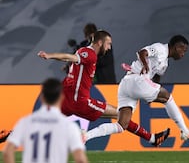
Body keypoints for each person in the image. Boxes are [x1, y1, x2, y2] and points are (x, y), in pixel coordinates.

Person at [38, 29, 169, 146]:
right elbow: (69, 57)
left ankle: (17, 134)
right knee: (121, 115)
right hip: (80, 102)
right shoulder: (89, 54)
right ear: (100, 43)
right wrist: (49, 56)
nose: (109, 47)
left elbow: (74, 66)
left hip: (66, 100)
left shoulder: (84, 52)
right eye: (108, 44)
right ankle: (82, 136)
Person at [85, 34, 189, 142]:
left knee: (122, 125)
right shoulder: (160, 48)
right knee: (167, 97)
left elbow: (157, 76)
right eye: (183, 50)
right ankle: (184, 130)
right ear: (177, 47)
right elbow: (142, 52)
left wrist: (153, 91)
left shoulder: (165, 63)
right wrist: (145, 65)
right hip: (137, 80)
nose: (183, 54)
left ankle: (86, 135)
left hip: (127, 84)